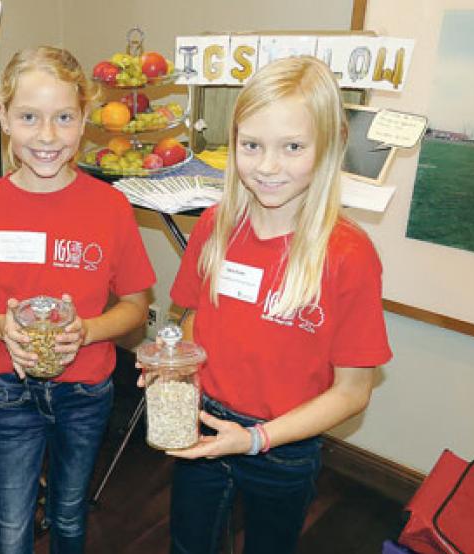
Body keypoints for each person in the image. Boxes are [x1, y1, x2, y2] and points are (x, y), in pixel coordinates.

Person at [165, 56, 392, 554]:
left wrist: (255, 439)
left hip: (283, 446)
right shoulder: (215, 226)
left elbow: (353, 391)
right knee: (188, 543)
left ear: (328, 147)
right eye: (252, 146)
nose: (267, 166)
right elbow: (191, 318)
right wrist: (174, 369)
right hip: (204, 419)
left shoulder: (348, 256)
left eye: (292, 147)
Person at [0, 46, 155, 554]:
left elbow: (136, 304)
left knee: (70, 517)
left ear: (84, 119)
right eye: (29, 117)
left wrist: (87, 330)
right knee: (10, 530)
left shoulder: (111, 206)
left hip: (86, 392)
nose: (47, 136)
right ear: (3, 116)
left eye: (63, 117)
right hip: (9, 392)